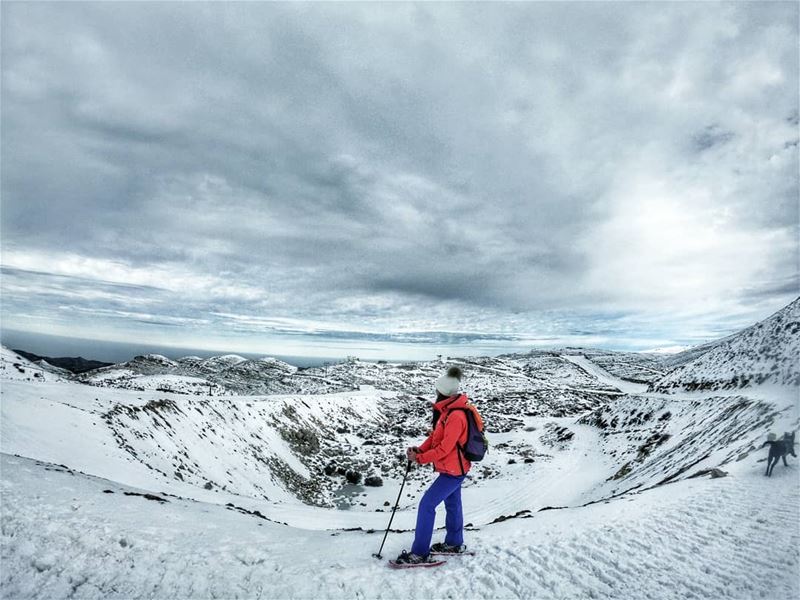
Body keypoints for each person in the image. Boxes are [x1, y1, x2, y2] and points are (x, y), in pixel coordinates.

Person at [394, 366, 472, 565]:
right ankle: (454, 543)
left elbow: (444, 449)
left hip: (454, 471)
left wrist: (420, 459)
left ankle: (419, 553)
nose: (435, 393)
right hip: (454, 468)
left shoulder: (455, 416)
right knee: (453, 504)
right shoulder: (447, 412)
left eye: (437, 390)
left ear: (443, 392)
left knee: (427, 505)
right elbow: (434, 439)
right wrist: (419, 450)